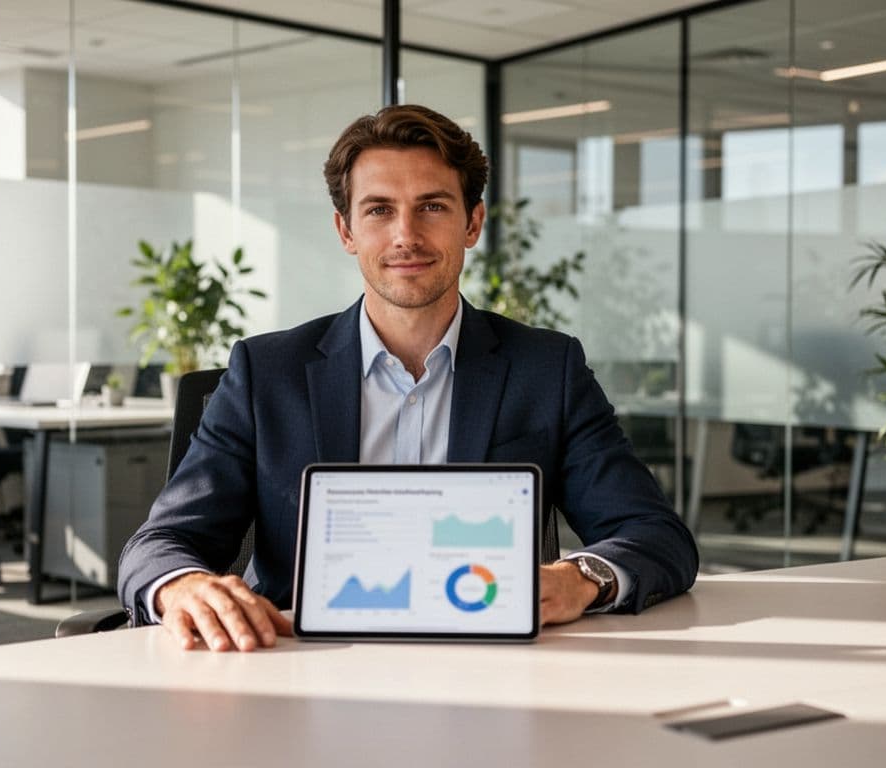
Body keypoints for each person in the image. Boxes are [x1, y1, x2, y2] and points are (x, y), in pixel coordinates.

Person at [118, 104, 698, 652]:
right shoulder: (267, 373)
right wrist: (182, 585)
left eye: (433, 206)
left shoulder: (547, 369)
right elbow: (161, 543)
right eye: (378, 210)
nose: (405, 236)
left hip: (494, 669)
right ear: (345, 231)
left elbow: (654, 534)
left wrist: (583, 577)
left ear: (472, 223)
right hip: (300, 664)